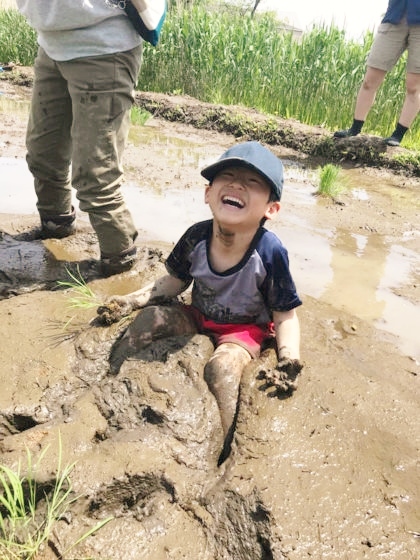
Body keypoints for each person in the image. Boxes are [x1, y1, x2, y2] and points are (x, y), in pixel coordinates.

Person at [97, 141, 303, 458]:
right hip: (198, 313)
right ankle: (109, 379)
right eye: (227, 177)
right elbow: (175, 281)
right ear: (208, 193)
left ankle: (226, 447)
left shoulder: (270, 252)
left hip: (244, 330)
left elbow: (284, 314)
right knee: (148, 320)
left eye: (252, 182)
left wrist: (288, 358)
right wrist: (129, 301)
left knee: (220, 369)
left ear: (271, 209)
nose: (236, 184)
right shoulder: (196, 237)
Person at [15, 1, 143, 276]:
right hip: (51, 44)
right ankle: (56, 228)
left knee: (96, 176)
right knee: (43, 156)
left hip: (103, 46)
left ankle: (119, 263)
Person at [334, 0, 420, 146]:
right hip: (395, 17)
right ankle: (354, 129)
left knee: (414, 86)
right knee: (369, 81)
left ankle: (397, 135)